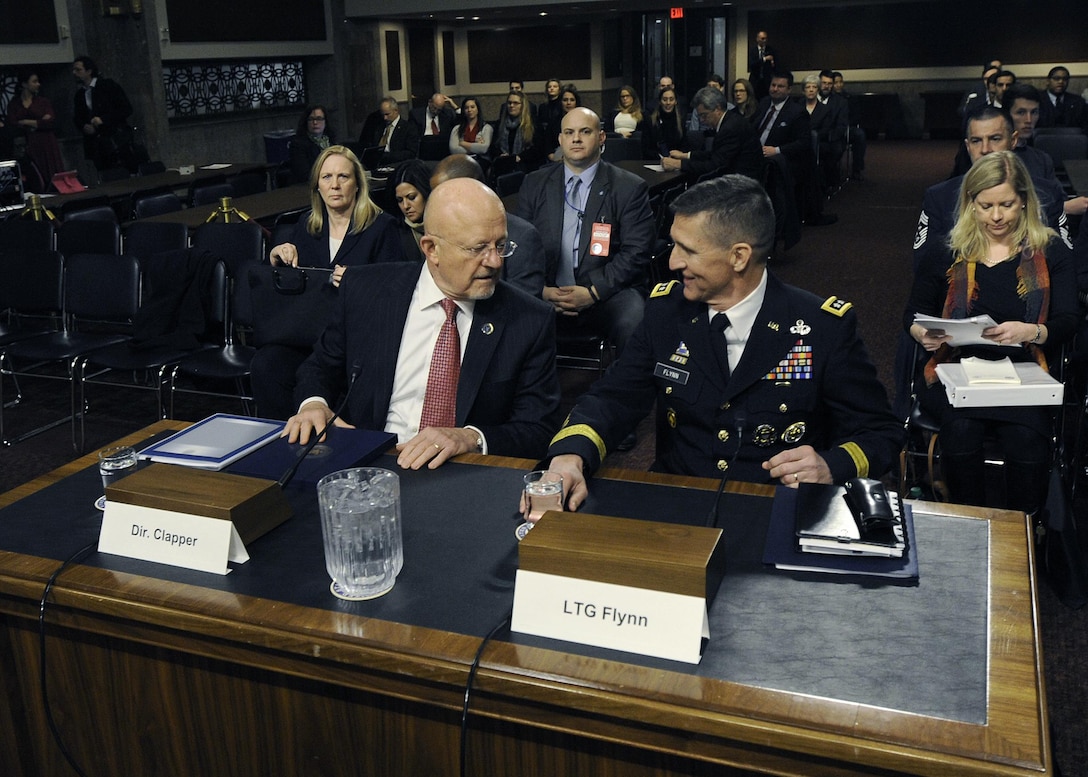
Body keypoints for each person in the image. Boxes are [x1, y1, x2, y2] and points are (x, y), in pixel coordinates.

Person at [542, 175, 901, 509]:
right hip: (680, 504)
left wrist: (830, 465)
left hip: (776, 508)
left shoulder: (821, 327)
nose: (672, 261)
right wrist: (571, 454)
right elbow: (614, 397)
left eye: (688, 250)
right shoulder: (667, 313)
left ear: (739, 256)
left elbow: (880, 432)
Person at [284, 177, 562, 469]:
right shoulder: (366, 292)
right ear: (431, 249)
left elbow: (538, 429)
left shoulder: (528, 319)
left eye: (501, 245)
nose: (494, 261)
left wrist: (471, 438)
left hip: (461, 471)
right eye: (477, 248)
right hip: (371, 462)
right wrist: (313, 404)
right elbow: (319, 367)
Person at [904, 151, 1077, 514]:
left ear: (1025, 202)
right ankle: (972, 524)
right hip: (957, 373)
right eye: (985, 206)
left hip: (1024, 374)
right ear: (970, 203)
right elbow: (913, 315)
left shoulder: (1050, 250)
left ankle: (1023, 532)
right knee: (961, 433)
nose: (996, 216)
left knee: (1026, 439)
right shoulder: (947, 250)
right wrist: (924, 333)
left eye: (1007, 205)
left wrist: (1032, 330)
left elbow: (1067, 320)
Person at [252, 145, 405, 420]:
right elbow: (285, 286)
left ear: (357, 184)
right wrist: (275, 257)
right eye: (326, 177)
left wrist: (357, 283)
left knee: (335, 376)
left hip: (355, 340)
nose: (335, 185)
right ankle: (282, 441)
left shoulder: (382, 227)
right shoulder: (306, 226)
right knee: (267, 363)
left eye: (343, 177)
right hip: (306, 333)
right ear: (317, 187)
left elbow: (399, 289)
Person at [515, 107, 655, 355]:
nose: (575, 139)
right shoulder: (534, 183)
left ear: (601, 138)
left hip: (608, 291)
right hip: (547, 291)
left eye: (585, 131)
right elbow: (519, 247)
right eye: (569, 132)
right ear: (560, 140)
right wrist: (540, 290)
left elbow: (637, 252)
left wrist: (593, 291)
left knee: (634, 321)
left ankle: (626, 391)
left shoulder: (628, 188)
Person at [429, 154, 546, 298]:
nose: (495, 262)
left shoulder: (523, 237)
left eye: (501, 246)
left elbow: (524, 312)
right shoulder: (436, 234)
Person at [662, 87, 762, 180]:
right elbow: (716, 154)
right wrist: (686, 155)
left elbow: (714, 166)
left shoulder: (730, 128)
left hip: (744, 183)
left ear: (717, 109)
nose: (702, 120)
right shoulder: (730, 120)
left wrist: (678, 164)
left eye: (704, 115)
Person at [71, 55, 134, 171]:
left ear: (89, 71)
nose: (74, 73)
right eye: (73, 70)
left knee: (122, 171)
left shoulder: (107, 86)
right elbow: (77, 116)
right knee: (103, 172)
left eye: (78, 70)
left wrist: (103, 119)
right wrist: (84, 126)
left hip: (115, 137)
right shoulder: (80, 94)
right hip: (96, 142)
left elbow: (126, 109)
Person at [6, 70, 64, 192]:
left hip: (46, 141)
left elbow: (50, 121)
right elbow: (13, 123)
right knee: (34, 173)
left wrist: (27, 122)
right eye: (34, 81)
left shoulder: (42, 102)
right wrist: (38, 122)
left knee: (50, 171)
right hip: (28, 143)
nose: (37, 84)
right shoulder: (14, 104)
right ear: (24, 84)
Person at [490, 89, 541, 177]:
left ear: (522, 106)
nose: (511, 105)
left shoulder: (533, 125)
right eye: (509, 103)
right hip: (504, 163)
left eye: (515, 103)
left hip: (525, 164)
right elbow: (493, 147)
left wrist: (519, 157)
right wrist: (501, 155)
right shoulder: (500, 124)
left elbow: (537, 150)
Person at [358, 96, 419, 167]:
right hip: (378, 165)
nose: (385, 118)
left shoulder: (408, 128)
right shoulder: (378, 127)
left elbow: (411, 153)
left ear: (396, 111)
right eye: (383, 115)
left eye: (387, 114)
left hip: (397, 164)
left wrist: (386, 156)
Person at [393, 159, 432, 261]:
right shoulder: (395, 233)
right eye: (400, 200)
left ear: (425, 192)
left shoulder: (446, 224)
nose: (405, 206)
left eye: (411, 197)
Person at [287, 104, 334, 185]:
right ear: (306, 122)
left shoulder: (332, 143)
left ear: (325, 122)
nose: (315, 122)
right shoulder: (297, 145)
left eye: (319, 119)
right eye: (311, 119)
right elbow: (304, 175)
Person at [1037, 66, 1088, 132]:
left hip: (1072, 140)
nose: (1061, 81)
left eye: (1065, 79)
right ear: (1048, 81)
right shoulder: (1037, 99)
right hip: (1042, 139)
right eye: (1056, 78)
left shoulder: (1078, 101)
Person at [646, 86, 687, 159]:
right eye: (664, 99)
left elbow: (684, 146)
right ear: (660, 101)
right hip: (656, 161)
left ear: (675, 101)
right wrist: (662, 158)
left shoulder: (680, 121)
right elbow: (646, 149)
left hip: (676, 160)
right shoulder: (650, 121)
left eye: (671, 99)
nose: (668, 103)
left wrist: (678, 155)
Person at [748, 30, 779, 99]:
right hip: (755, 80)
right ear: (757, 39)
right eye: (762, 38)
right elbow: (752, 64)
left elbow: (776, 66)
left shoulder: (771, 50)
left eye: (766, 38)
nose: (764, 40)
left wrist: (772, 63)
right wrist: (764, 59)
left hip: (766, 81)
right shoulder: (753, 51)